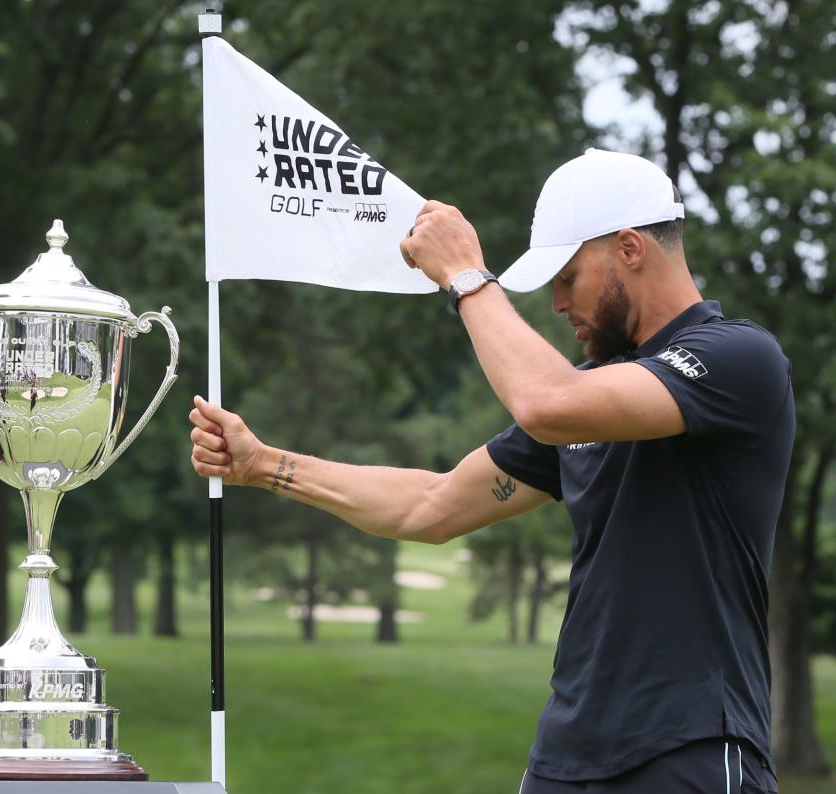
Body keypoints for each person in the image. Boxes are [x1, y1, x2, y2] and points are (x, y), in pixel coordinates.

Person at [189, 148, 792, 794]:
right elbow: (431, 506)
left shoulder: (740, 362)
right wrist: (265, 464)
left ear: (630, 249)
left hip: (690, 751)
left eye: (567, 276)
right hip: (566, 759)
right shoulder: (586, 397)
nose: (559, 303)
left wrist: (468, 278)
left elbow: (545, 403)